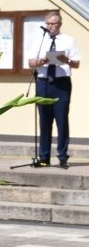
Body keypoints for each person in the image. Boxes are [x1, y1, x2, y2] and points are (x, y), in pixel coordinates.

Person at [28, 10, 81, 169]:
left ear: (60, 24)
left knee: (62, 120)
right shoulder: (39, 40)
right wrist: (41, 61)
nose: (51, 27)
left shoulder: (68, 40)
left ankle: (63, 157)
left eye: (54, 24)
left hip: (61, 83)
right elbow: (31, 62)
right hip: (43, 82)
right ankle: (44, 157)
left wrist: (66, 60)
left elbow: (77, 63)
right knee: (44, 121)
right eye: (48, 24)